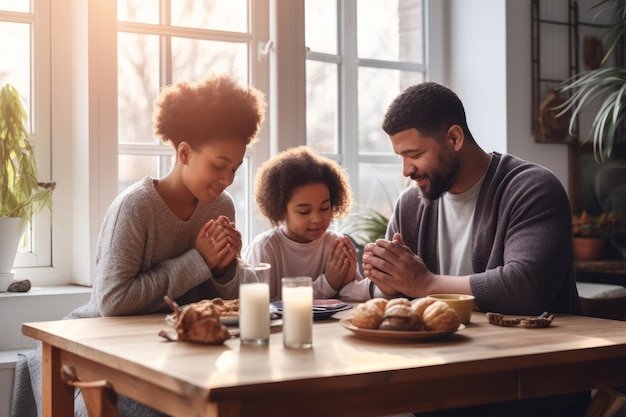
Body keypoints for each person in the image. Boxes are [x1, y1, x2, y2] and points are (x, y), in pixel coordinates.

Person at [11, 73, 266, 417]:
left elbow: (222, 302)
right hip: (108, 349)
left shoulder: (221, 206)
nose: (228, 179)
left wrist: (223, 267)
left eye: (235, 168)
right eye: (219, 166)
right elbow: (112, 301)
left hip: (178, 353)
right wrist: (199, 260)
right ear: (185, 153)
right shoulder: (136, 207)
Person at [361, 82, 589, 417]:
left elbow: (524, 288)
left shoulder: (531, 188)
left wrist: (422, 285)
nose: (406, 170)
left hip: (532, 387)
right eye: (401, 157)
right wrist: (383, 278)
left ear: (454, 138)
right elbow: (395, 293)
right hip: (444, 381)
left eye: (414, 154)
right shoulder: (410, 205)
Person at [243, 145, 371, 302]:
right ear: (281, 209)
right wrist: (328, 284)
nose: (317, 218)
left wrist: (379, 284)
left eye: (324, 208)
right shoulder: (266, 248)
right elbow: (262, 305)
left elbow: (352, 292)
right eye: (304, 211)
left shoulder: (335, 244)